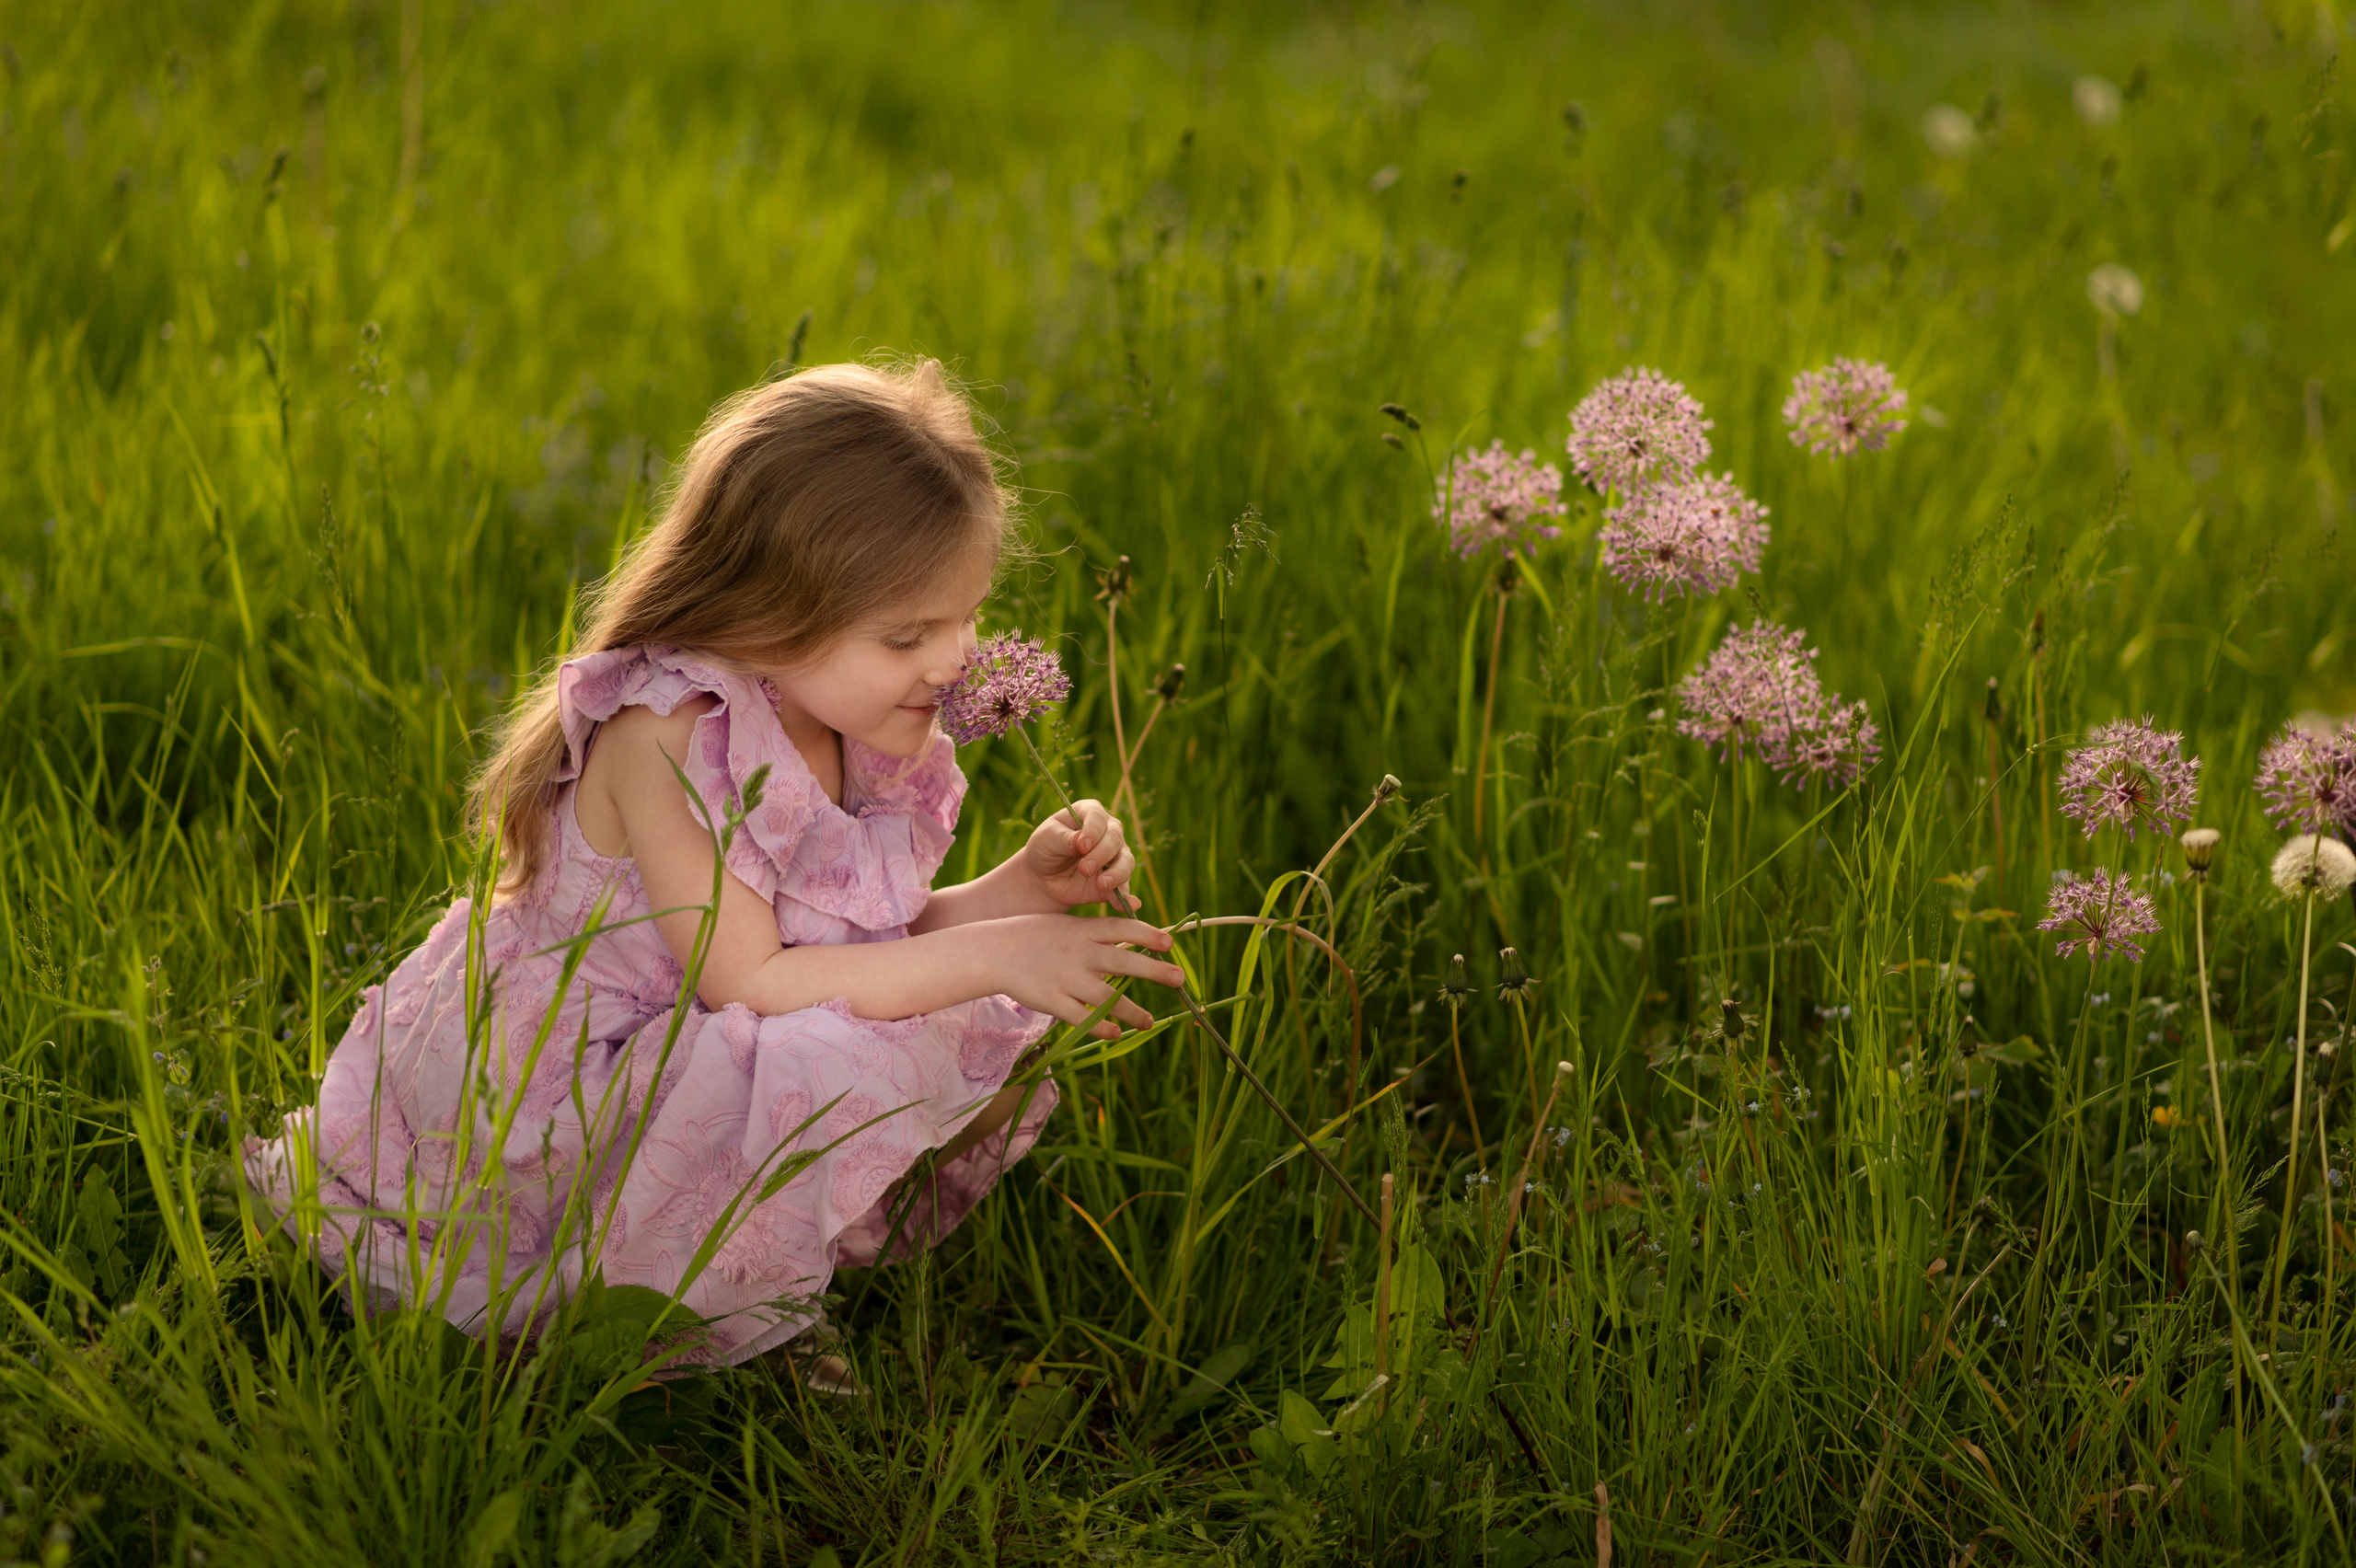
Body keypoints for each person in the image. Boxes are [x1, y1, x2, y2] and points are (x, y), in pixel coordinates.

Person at [243, 359, 1184, 1380]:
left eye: (968, 615)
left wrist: (1020, 893)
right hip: (564, 1085)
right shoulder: (672, 732)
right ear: (766, 607)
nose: (955, 660)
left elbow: (853, 947)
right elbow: (755, 979)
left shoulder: (836, 713)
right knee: (848, 1054)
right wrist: (1001, 954)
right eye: (908, 634)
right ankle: (676, 1323)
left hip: (690, 1043)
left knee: (935, 1021)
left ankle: (751, 1295)